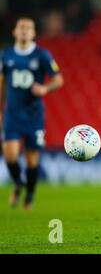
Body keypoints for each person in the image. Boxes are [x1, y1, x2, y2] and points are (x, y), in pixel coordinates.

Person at [0, 17, 64, 210]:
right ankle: (18, 184)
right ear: (15, 32)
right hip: (12, 113)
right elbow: (2, 83)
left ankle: (30, 194)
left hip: (34, 115)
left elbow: (58, 79)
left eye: (28, 28)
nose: (25, 31)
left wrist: (45, 89)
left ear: (34, 33)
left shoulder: (42, 55)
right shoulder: (6, 55)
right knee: (10, 156)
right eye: (21, 27)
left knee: (31, 159)